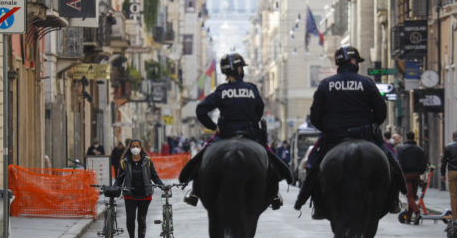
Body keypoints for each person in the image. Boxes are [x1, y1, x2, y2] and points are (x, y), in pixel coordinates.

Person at [294, 46, 407, 219]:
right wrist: (372, 124)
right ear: (353, 62)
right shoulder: (367, 82)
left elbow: (315, 116)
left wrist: (328, 128)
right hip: (364, 135)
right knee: (391, 161)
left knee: (313, 165)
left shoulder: (326, 84)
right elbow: (381, 113)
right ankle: (395, 199)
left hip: (334, 137)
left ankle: (311, 202)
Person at [179, 52, 291, 209]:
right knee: (269, 160)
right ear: (239, 70)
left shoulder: (221, 90)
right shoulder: (251, 89)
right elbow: (259, 110)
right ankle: (274, 194)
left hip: (225, 135)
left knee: (204, 157)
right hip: (250, 135)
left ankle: (195, 192)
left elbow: (201, 110)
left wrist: (213, 127)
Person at [114, 139, 165, 238]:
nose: (135, 148)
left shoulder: (147, 161)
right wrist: (114, 188)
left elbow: (154, 176)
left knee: (141, 220)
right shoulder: (125, 162)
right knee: (130, 219)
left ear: (141, 148)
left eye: (137, 146)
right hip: (130, 195)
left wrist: (162, 186)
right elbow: (119, 179)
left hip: (144, 195)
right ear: (130, 148)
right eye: (133, 146)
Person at [397, 131, 428, 225]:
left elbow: (400, 163)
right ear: (414, 137)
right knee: (412, 196)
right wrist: (421, 172)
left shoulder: (402, 149)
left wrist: (400, 174)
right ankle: (408, 218)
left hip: (406, 175)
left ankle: (417, 212)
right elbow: (423, 163)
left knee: (409, 196)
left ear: (406, 137)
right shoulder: (419, 149)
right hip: (416, 174)